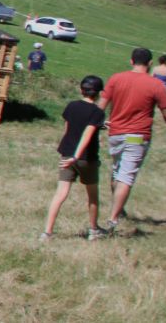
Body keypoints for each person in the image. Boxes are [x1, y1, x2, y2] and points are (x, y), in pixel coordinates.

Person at [102, 47, 166, 232]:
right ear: (150, 63)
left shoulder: (116, 78)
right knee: (126, 176)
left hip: (115, 133)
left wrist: (96, 122)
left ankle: (118, 209)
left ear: (131, 61)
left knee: (117, 170)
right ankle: (113, 219)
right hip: (137, 136)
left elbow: (101, 105)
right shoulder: (156, 85)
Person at [42, 75, 109, 241]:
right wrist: (76, 156)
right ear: (99, 93)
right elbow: (87, 134)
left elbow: (68, 130)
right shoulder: (97, 112)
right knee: (92, 195)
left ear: (82, 89)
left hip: (67, 155)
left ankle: (47, 232)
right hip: (87, 158)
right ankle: (94, 230)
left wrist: (68, 153)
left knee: (60, 194)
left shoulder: (71, 106)